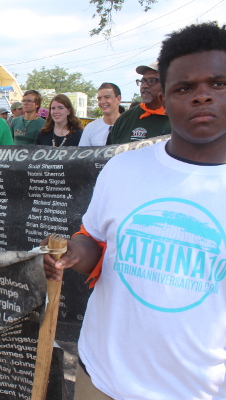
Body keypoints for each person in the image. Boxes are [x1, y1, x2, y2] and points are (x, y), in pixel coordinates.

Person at [42, 22, 226, 399]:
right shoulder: (123, 168)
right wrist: (73, 255)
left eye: (219, 84)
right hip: (101, 379)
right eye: (185, 88)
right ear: (164, 97)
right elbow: (94, 240)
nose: (202, 97)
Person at [106, 61, 171, 144]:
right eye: (143, 81)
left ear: (168, 84)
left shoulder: (178, 119)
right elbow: (109, 153)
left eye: (151, 81)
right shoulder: (125, 119)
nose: (144, 86)